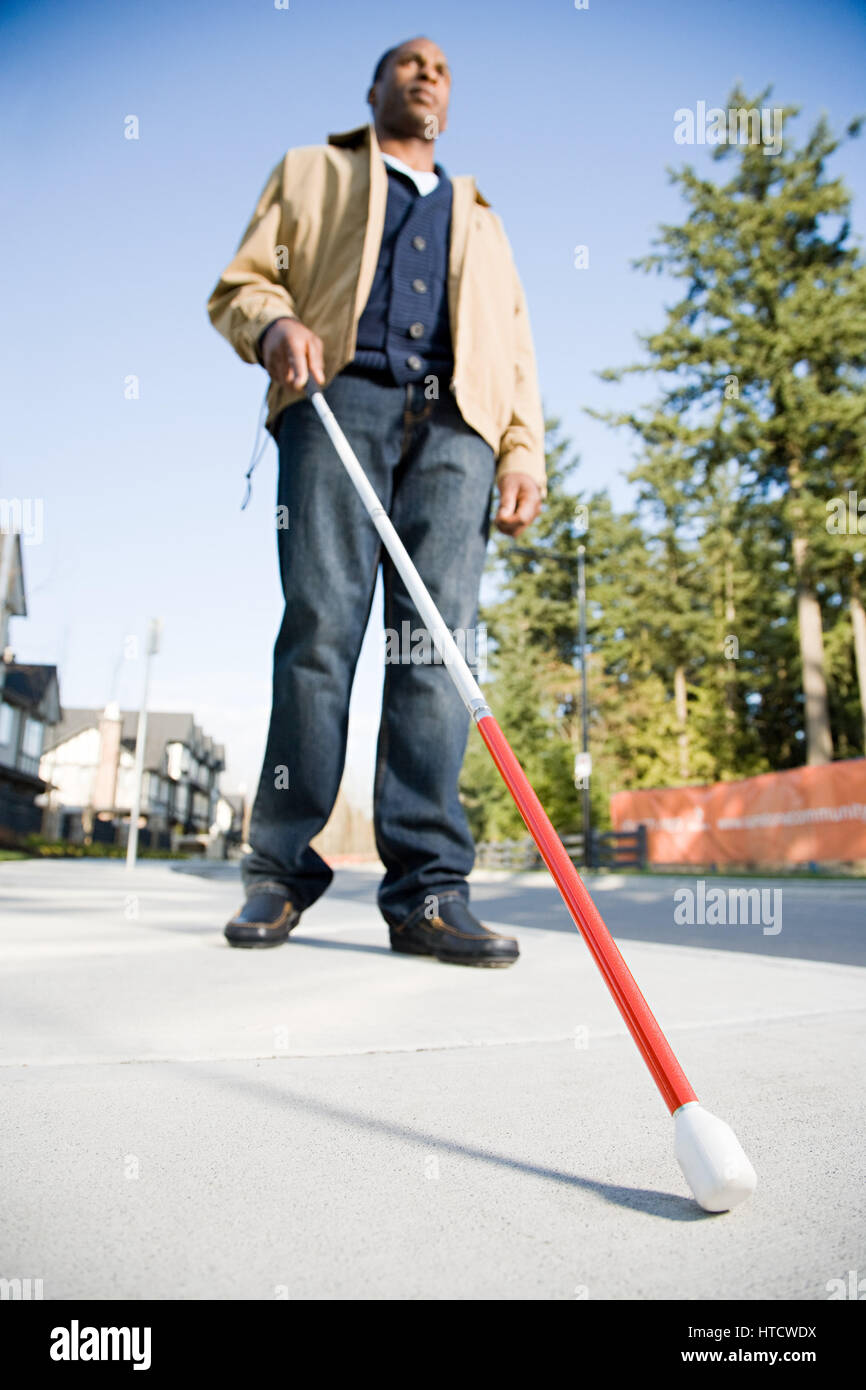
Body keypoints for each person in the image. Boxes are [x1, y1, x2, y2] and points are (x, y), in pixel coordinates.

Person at [208, 35, 546, 966]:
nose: (428, 72)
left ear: (452, 98)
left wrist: (522, 451)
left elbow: (516, 353)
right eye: (409, 61)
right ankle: (277, 870)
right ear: (375, 88)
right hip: (335, 400)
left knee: (436, 651)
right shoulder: (311, 171)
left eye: (442, 66)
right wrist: (275, 322)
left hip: (460, 434)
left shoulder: (483, 218)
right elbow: (244, 282)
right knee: (321, 629)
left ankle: (429, 892)